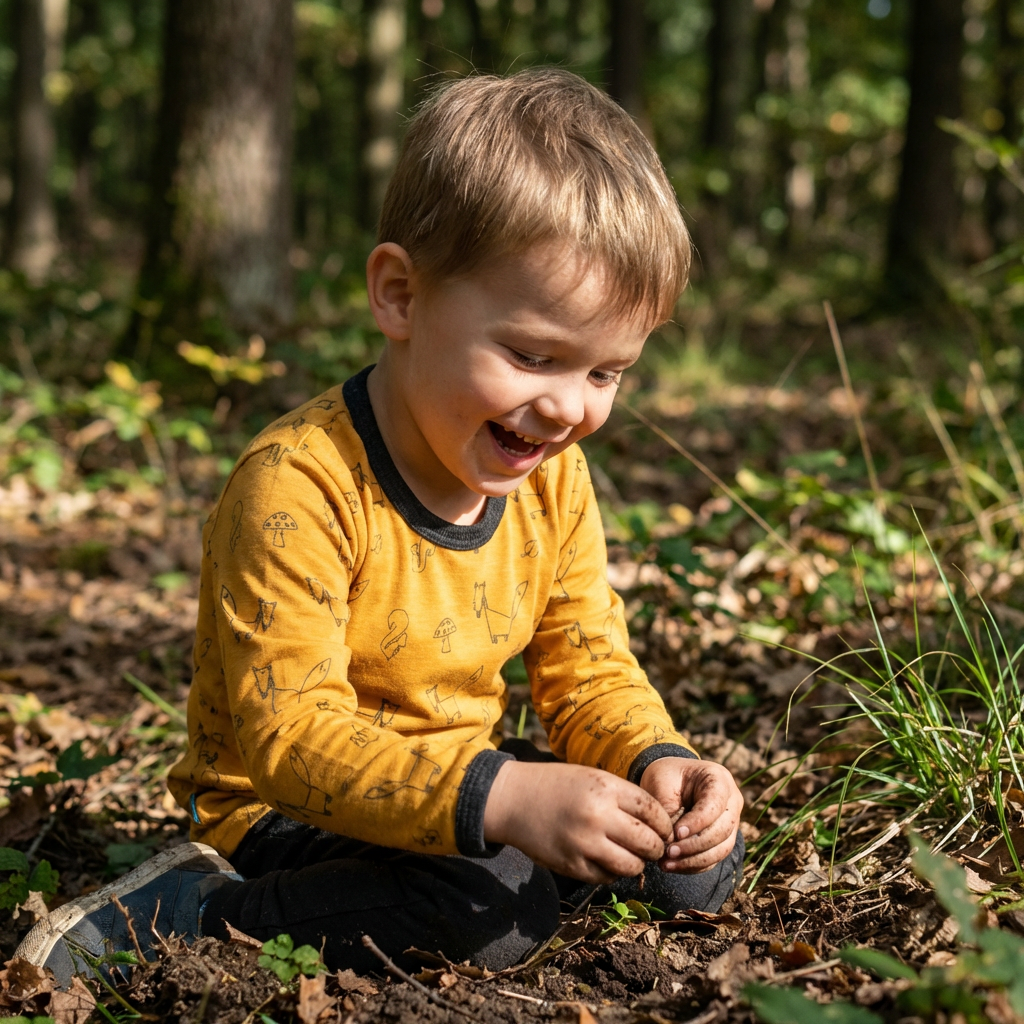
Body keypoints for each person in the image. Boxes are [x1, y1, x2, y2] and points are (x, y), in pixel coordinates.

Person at [17, 68, 743, 986]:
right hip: (285, 817)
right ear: (400, 294)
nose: (567, 409)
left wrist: (655, 757)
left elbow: (584, 660)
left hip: (454, 785)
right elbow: (292, 739)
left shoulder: (553, 480)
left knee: (694, 869)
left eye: (607, 373)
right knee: (486, 909)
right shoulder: (299, 484)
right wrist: (506, 797)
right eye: (532, 355)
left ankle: (520, 853)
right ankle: (188, 914)